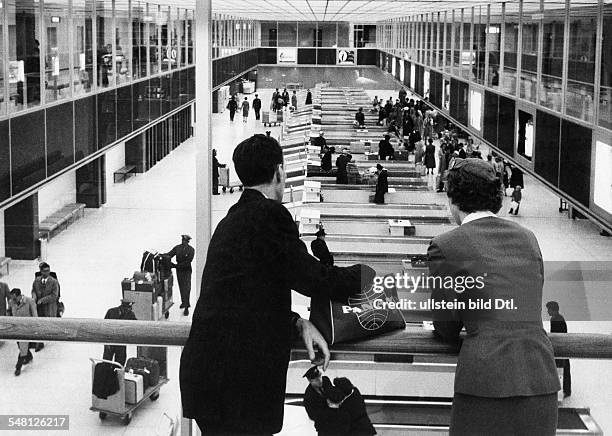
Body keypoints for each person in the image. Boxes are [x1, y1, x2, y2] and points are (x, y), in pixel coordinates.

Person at [179, 134, 376, 435]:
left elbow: (243, 295)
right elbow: (312, 278)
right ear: (279, 172)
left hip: (207, 376)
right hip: (238, 386)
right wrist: (364, 275)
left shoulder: (230, 221)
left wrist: (297, 323)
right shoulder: (270, 215)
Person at [428, 158, 560, 436]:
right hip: (540, 379)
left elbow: (446, 326)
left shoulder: (445, 245)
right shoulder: (528, 237)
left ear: (453, 199)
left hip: (484, 382)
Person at [31, 262, 59, 352]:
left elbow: (54, 296)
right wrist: (34, 298)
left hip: (49, 306)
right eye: (45, 271)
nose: (47, 272)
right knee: (39, 323)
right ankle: (40, 342)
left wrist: (42, 300)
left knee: (49, 322)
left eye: (48, 270)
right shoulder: (36, 280)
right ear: (41, 271)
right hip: (39, 307)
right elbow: (33, 290)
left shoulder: (54, 282)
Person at [8, 289, 37, 376]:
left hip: (26, 329)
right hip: (16, 328)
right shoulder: (11, 302)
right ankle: (29, 357)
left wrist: (34, 328)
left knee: (23, 347)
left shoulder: (29, 301)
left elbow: (35, 316)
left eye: (14, 298)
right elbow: (9, 312)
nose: (13, 300)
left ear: (19, 296)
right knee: (20, 345)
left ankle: (18, 367)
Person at [546, 301, 571, 398]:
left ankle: (565, 390)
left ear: (553, 310)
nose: (547, 311)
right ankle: (565, 390)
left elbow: (560, 335)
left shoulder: (557, 319)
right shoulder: (555, 319)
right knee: (563, 368)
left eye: (549, 309)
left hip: (561, 347)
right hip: (560, 347)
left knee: (563, 368)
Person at [166, 235, 195, 316]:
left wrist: (175, 266)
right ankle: (183, 302)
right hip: (179, 271)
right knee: (181, 287)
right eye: (182, 240)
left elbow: (188, 262)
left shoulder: (191, 250)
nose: (183, 242)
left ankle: (186, 307)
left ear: (188, 241)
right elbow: (169, 254)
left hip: (186, 270)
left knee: (187, 287)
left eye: (185, 241)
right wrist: (162, 255)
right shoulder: (177, 248)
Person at [103, 299, 137, 365]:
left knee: (120, 363)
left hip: (121, 342)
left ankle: (117, 374)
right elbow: (105, 327)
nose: (130, 309)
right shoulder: (111, 312)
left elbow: (136, 325)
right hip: (110, 341)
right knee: (106, 362)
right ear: (123, 307)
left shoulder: (130, 315)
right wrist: (106, 342)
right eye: (128, 308)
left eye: (130, 308)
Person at [303, 366, 333, 434]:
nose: (319, 380)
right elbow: (313, 415)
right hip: (323, 420)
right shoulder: (309, 396)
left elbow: (333, 394)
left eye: (320, 377)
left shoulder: (326, 380)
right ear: (310, 381)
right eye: (316, 380)